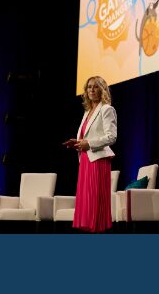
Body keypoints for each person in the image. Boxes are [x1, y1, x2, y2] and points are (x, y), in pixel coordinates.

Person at [64, 76, 117, 232]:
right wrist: (78, 142)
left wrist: (89, 143)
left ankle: (98, 233)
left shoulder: (107, 109)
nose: (91, 90)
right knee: (86, 201)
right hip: (86, 159)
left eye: (95, 87)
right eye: (89, 87)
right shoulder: (87, 112)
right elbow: (87, 136)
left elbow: (111, 136)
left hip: (98, 159)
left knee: (95, 201)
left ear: (102, 89)